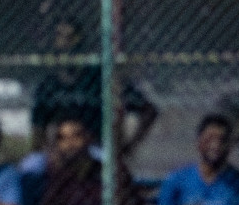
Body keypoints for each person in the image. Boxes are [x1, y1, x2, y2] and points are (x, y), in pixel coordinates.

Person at [29, 17, 158, 155]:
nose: (66, 44)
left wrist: (128, 147)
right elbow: (38, 129)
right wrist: (47, 154)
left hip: (97, 150)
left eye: (71, 38)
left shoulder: (100, 78)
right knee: (32, 166)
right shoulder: (49, 85)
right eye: (60, 37)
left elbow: (148, 110)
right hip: (61, 154)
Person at [37, 118, 139, 205]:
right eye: (63, 138)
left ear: (87, 138)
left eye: (76, 136)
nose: (70, 143)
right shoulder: (57, 177)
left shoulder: (112, 171)